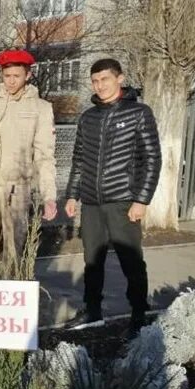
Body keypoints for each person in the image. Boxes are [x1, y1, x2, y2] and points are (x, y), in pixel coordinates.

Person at [64, 58, 162, 332]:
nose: (100, 85)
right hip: (92, 203)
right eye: (95, 81)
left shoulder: (139, 113)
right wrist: (72, 195)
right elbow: (79, 159)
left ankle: (139, 313)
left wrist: (142, 199)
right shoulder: (88, 117)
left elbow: (152, 159)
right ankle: (93, 310)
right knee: (92, 260)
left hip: (123, 201)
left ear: (120, 78)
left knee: (131, 260)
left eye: (105, 79)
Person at [0, 49, 57, 263]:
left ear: (28, 75)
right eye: (7, 76)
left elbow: (45, 155)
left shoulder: (41, 108)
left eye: (16, 76)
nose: (11, 82)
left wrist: (48, 196)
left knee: (14, 252)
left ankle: (11, 286)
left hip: (20, 189)